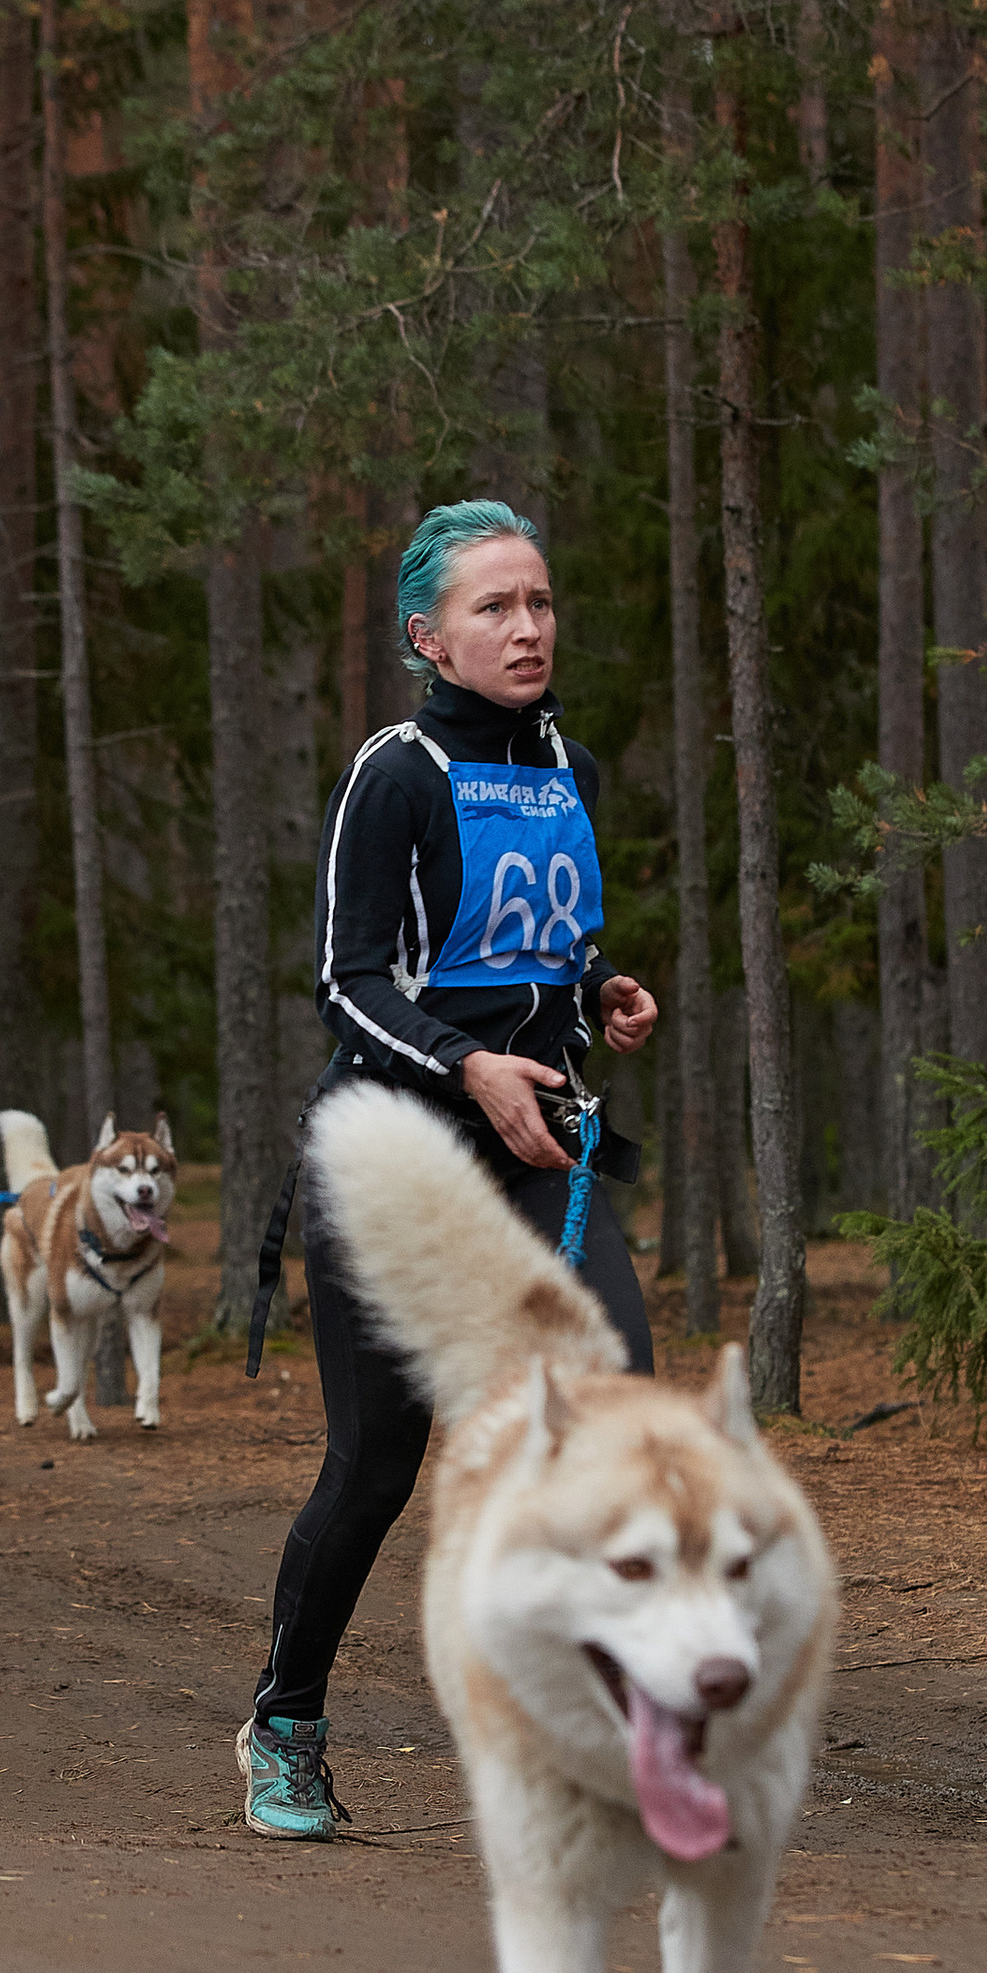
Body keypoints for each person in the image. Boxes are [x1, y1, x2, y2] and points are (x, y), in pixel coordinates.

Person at [239, 499, 661, 1842]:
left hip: (536, 1144)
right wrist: (467, 1064)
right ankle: (286, 1719)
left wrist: (602, 997)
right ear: (430, 637)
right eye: (496, 608)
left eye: (538, 603)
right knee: (376, 1463)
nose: (528, 627)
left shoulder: (571, 769)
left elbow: (554, 957)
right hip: (397, 1160)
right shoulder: (397, 771)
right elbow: (347, 984)